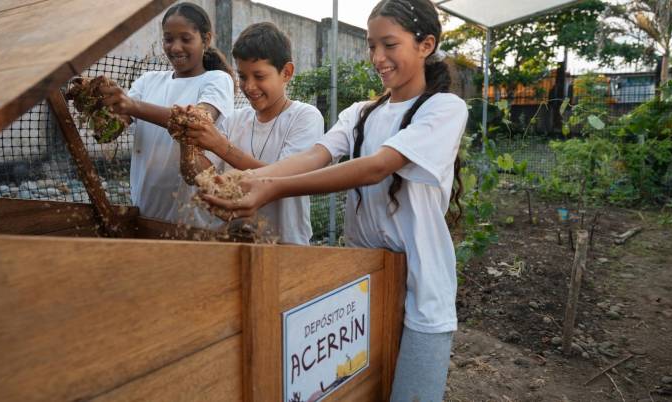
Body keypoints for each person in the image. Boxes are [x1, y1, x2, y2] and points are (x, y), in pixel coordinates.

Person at [201, 1, 467, 400]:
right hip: (365, 279)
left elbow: (378, 166)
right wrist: (244, 180)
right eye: (371, 45)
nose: (378, 57)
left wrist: (271, 188)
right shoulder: (361, 113)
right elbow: (313, 156)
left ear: (426, 44)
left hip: (421, 289)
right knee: (358, 389)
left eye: (389, 44)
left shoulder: (444, 108)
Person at [184, 22, 324, 245]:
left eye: (259, 76)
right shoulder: (234, 120)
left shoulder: (305, 117)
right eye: (242, 76)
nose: (249, 86)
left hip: (286, 246)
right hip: (235, 242)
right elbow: (203, 173)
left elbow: (281, 179)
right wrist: (189, 143)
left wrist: (221, 146)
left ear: (286, 72)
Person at [100, 2, 234, 227]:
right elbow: (109, 132)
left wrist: (131, 105)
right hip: (145, 212)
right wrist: (97, 104)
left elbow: (197, 121)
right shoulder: (148, 81)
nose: (175, 47)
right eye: (168, 39)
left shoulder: (217, 80)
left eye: (186, 38)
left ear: (206, 39)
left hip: (194, 222)